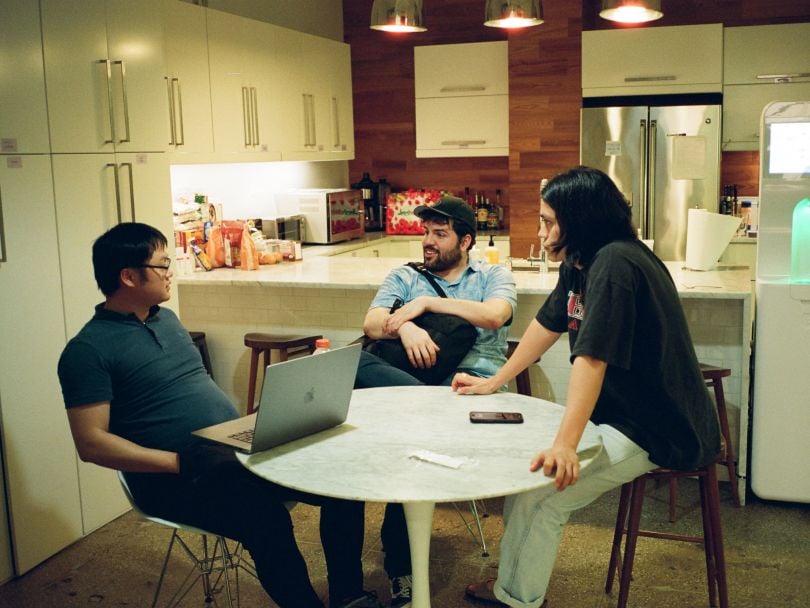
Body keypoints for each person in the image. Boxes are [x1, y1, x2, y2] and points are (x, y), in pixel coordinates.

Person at [57, 222, 381, 608]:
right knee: (267, 519)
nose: (171, 271)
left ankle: (348, 596)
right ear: (128, 276)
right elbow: (91, 444)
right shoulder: (87, 351)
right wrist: (179, 461)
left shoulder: (165, 319)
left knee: (341, 484)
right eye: (162, 265)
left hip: (234, 451)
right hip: (177, 477)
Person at [454, 166, 722, 608]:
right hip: (622, 417)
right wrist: (494, 381)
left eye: (547, 221)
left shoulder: (616, 263)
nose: (540, 232)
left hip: (658, 427)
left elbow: (592, 358)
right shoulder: (581, 261)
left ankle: (516, 598)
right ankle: (512, 584)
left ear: (578, 221)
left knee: (543, 495)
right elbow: (548, 324)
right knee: (529, 480)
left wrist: (565, 444)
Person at [356, 196, 518, 607]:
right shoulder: (404, 276)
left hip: (472, 386)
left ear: (466, 241)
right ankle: (401, 571)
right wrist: (405, 329)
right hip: (415, 386)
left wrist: (427, 304)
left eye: (440, 234)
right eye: (426, 232)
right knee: (352, 363)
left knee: (407, 443)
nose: (428, 241)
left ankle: (402, 569)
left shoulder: (492, 276)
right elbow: (372, 323)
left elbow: (495, 316)